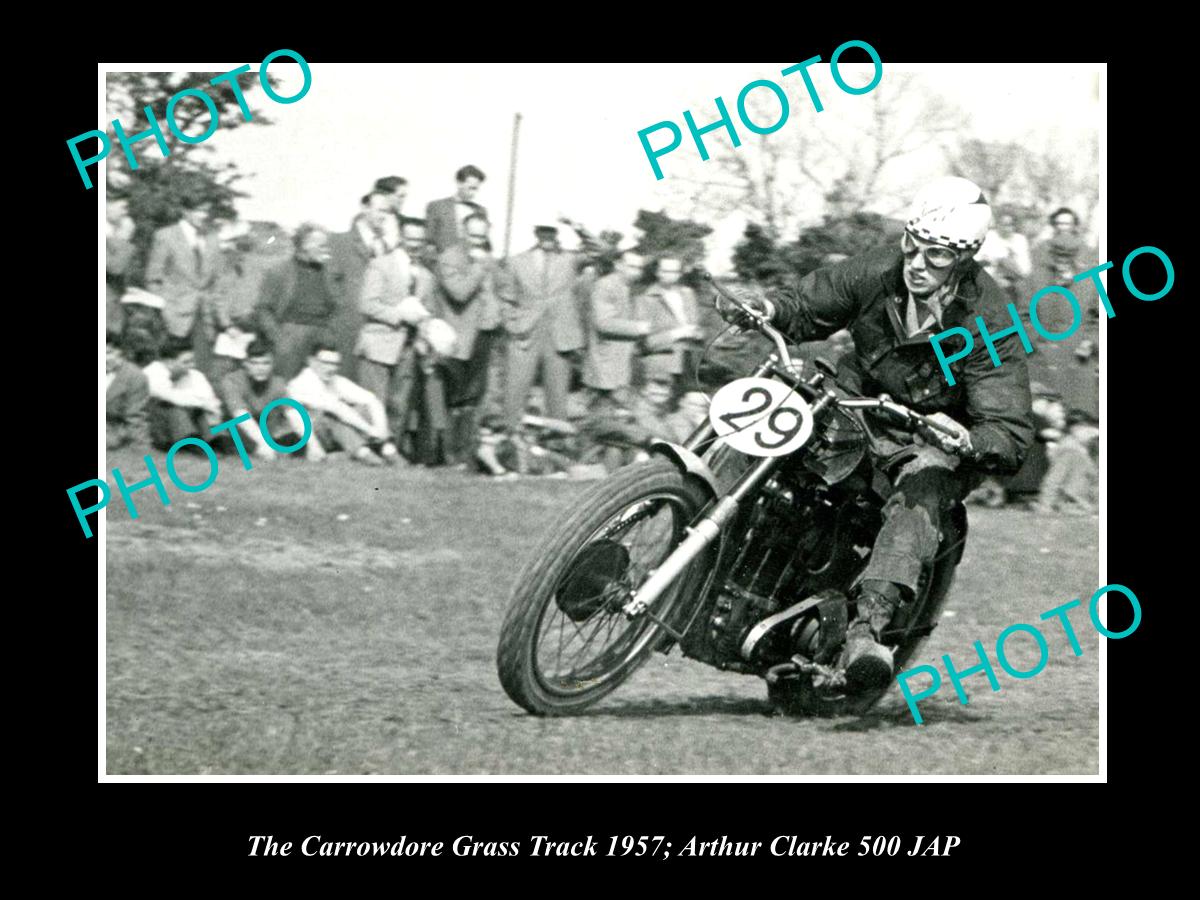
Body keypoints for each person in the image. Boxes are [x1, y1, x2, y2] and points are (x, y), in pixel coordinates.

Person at [718, 176, 1034, 691]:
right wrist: (767, 310)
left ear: (965, 259)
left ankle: (867, 634)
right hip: (854, 406)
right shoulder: (882, 269)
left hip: (924, 439)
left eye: (936, 255)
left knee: (925, 485)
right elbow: (812, 301)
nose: (916, 263)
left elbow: (1009, 428)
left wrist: (969, 440)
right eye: (913, 244)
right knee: (779, 400)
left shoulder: (988, 322)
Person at [429, 212, 511, 469]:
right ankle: (452, 456)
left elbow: (503, 288)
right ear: (463, 233)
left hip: (485, 333)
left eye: (481, 234)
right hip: (460, 337)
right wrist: (479, 267)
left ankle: (467, 455)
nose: (477, 240)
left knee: (475, 396)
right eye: (472, 234)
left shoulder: (487, 259)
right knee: (458, 397)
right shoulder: (450, 258)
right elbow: (459, 293)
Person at [354, 216, 433, 463]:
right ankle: (368, 451)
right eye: (410, 238)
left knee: (399, 404)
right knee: (373, 401)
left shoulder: (428, 276)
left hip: (407, 348)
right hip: (378, 344)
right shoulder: (381, 264)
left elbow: (426, 313)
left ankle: (392, 450)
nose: (415, 245)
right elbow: (367, 303)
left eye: (420, 240)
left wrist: (424, 336)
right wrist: (399, 315)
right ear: (400, 237)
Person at [501, 224, 586, 436]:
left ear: (558, 234)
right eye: (543, 231)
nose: (547, 235)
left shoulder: (570, 259)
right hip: (525, 334)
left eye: (552, 231)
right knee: (515, 391)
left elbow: (602, 252)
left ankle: (556, 444)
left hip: (560, 335)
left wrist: (578, 227)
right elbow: (506, 298)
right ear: (535, 232)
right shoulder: (516, 261)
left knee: (557, 396)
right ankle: (510, 442)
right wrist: (514, 325)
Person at [144, 194, 223, 377]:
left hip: (204, 317)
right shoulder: (166, 236)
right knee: (171, 371)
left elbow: (217, 282)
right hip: (173, 319)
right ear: (185, 211)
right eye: (199, 210)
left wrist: (223, 320)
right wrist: (166, 309)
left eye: (207, 210)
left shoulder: (212, 238)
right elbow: (153, 279)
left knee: (203, 372)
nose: (204, 215)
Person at [254, 223, 345, 381]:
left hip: (322, 336)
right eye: (321, 246)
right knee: (287, 385)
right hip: (291, 335)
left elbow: (338, 305)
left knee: (321, 387)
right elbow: (263, 309)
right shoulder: (279, 271)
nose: (326, 250)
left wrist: (332, 333)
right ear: (305, 245)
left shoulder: (330, 273)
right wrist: (279, 339)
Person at [286, 344, 390, 465]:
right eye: (325, 362)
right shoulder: (304, 382)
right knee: (330, 417)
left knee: (364, 408)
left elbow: (372, 400)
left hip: (333, 437)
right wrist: (369, 430)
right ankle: (365, 454)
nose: (331, 368)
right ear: (311, 362)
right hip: (307, 440)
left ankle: (389, 451)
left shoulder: (335, 380)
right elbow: (336, 408)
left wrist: (381, 430)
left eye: (335, 364)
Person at [582, 250, 652, 413]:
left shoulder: (631, 287)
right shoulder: (605, 285)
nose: (636, 271)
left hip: (623, 362)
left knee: (622, 414)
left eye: (639, 268)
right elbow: (604, 323)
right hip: (606, 362)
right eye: (632, 266)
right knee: (602, 413)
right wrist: (638, 328)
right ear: (618, 265)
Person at [217, 339, 293, 462]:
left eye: (265, 363)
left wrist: (314, 446)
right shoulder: (231, 381)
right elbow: (240, 415)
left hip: (265, 431)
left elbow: (292, 413)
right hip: (232, 431)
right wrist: (264, 444)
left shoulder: (278, 382)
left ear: (273, 364)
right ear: (245, 364)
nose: (260, 368)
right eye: (254, 363)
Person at [636, 255, 705, 393]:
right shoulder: (645, 299)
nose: (670, 275)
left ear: (680, 273)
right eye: (665, 271)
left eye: (674, 271)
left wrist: (698, 333)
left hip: (690, 364)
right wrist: (677, 334)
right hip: (663, 367)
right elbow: (646, 343)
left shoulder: (688, 294)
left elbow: (697, 328)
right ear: (657, 272)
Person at [143, 338, 223, 450]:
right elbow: (171, 396)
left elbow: (209, 399)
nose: (192, 365)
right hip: (158, 427)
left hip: (188, 422)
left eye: (192, 360)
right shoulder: (152, 373)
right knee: (170, 406)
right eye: (186, 362)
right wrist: (203, 403)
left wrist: (207, 404)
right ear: (169, 362)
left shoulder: (193, 374)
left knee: (200, 407)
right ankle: (191, 443)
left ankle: (216, 440)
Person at [1035, 408, 1098, 515]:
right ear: (1075, 430)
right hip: (1073, 504)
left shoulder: (1083, 449)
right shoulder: (1070, 451)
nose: (1091, 435)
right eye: (1087, 430)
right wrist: (1045, 505)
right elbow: (1053, 479)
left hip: (1083, 503)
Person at [425, 165, 487, 252]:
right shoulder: (436, 207)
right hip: (442, 261)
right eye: (471, 188)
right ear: (459, 183)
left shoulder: (480, 211)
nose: (473, 193)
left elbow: (483, 244)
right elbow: (429, 243)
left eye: (476, 189)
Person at [976, 209, 1031, 303]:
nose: (1006, 228)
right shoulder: (988, 237)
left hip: (1012, 284)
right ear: (997, 224)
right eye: (1002, 224)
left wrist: (1007, 263)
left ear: (1015, 226)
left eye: (1010, 224)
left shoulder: (1020, 240)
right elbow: (976, 261)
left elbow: (1025, 270)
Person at [106, 332, 150, 450]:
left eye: (108, 353)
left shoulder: (134, 376)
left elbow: (135, 416)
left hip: (114, 430)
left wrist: (141, 445)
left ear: (120, 352)